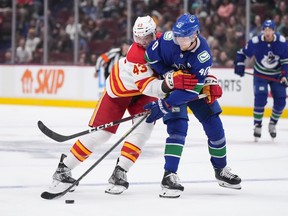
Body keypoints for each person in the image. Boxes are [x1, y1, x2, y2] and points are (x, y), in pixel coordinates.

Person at [46, 16, 198, 195]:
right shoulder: (136, 56)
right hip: (119, 92)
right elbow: (148, 86)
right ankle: (64, 168)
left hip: (142, 95)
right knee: (100, 135)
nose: (142, 42)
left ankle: (120, 172)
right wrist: (171, 82)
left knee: (143, 131)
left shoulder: (166, 40)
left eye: (146, 37)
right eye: (138, 38)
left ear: (154, 33)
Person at [142, 13, 241, 198]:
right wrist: (168, 75)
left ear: (195, 34)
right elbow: (150, 56)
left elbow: (192, 91)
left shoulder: (203, 55)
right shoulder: (168, 40)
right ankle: (169, 175)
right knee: (177, 129)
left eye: (185, 37)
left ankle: (220, 169)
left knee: (214, 125)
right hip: (173, 88)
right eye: (178, 36)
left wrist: (164, 105)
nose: (181, 41)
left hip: (193, 89)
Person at [234, 19, 288, 141]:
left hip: (277, 75)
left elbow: (286, 60)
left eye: (270, 30)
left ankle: (273, 123)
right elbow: (241, 53)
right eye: (266, 29)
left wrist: (285, 75)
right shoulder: (255, 42)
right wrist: (239, 64)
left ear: (274, 30)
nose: (268, 32)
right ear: (263, 30)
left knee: (281, 102)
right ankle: (257, 125)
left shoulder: (282, 42)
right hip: (260, 75)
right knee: (260, 97)